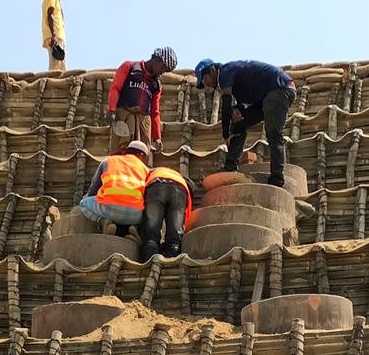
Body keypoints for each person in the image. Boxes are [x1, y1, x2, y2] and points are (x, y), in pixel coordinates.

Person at [195, 58, 296, 188]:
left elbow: (226, 105)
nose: (206, 84)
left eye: (204, 79)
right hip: (265, 96)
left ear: (212, 71)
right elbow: (247, 97)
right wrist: (237, 110)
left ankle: (277, 179)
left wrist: (226, 135)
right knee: (240, 124)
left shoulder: (225, 72)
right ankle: (230, 168)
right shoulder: (231, 80)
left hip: (280, 89)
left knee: (274, 136)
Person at [107, 47, 177, 155]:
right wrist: (112, 110)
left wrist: (157, 137)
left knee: (141, 155)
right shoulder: (129, 67)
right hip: (124, 118)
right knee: (119, 152)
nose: (162, 73)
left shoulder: (156, 85)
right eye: (163, 68)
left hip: (143, 123)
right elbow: (115, 88)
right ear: (157, 59)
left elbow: (155, 112)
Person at [78, 140, 151, 238]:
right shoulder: (146, 170)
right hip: (136, 215)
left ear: (127, 151)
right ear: (141, 155)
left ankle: (103, 222)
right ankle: (133, 229)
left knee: (83, 204)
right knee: (150, 213)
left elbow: (94, 188)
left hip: (109, 209)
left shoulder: (108, 161)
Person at [138, 166, 194, 261]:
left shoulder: (151, 171)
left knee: (151, 232)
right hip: (179, 190)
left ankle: (150, 258)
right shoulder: (179, 177)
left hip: (155, 186)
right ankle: (172, 258)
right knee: (174, 234)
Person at [41, 0, 68, 71]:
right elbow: (50, 15)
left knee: (61, 67)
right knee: (55, 67)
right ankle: (53, 85)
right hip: (54, 36)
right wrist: (54, 36)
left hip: (57, 37)